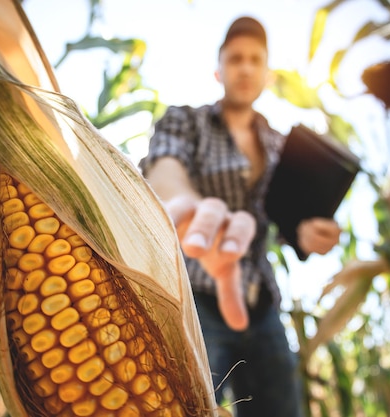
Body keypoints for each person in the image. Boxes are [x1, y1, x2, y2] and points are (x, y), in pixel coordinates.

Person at [139, 16, 341, 417]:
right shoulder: (186, 120)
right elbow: (165, 166)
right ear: (219, 70)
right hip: (197, 303)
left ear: (267, 73)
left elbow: (285, 223)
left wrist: (306, 234)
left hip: (264, 310)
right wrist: (186, 205)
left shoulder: (282, 146)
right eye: (235, 59)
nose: (245, 67)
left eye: (254, 60)